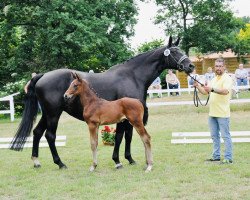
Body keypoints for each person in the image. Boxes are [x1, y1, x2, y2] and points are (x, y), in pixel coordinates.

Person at [194, 58, 233, 164]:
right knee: (214, 136)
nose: (218, 68)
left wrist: (211, 89)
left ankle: (228, 158)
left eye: (220, 66)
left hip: (223, 113)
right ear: (214, 67)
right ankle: (216, 156)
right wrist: (198, 86)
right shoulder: (214, 79)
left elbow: (225, 91)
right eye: (217, 66)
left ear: (224, 67)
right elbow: (206, 92)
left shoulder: (227, 78)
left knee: (225, 136)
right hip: (212, 113)